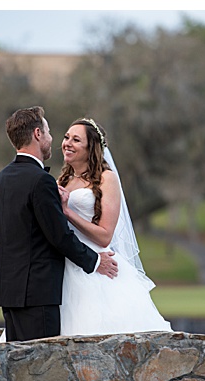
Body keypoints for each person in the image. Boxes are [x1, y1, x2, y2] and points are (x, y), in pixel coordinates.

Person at [0, 106, 119, 343]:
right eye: (50, 132)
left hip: (10, 292)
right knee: (42, 368)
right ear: (38, 134)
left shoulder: (0, 180)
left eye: (74, 138)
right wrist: (96, 260)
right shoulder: (42, 181)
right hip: (39, 292)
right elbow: (59, 236)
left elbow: (1, 235)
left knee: (18, 370)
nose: (57, 140)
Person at [56, 117, 171, 335]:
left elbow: (105, 236)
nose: (67, 143)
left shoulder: (106, 179)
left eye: (76, 140)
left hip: (99, 267)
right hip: (67, 263)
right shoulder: (63, 180)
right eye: (66, 137)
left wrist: (67, 213)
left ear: (91, 148)